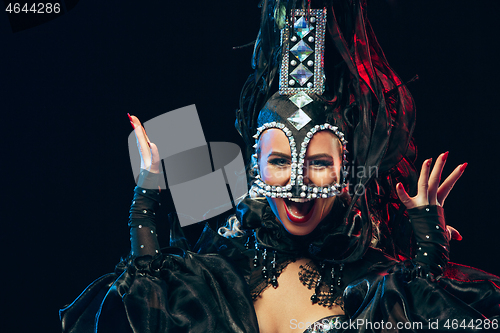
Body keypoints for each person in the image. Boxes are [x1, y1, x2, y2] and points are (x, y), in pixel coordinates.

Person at [60, 1, 500, 332]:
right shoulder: (215, 275)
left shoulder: (378, 284)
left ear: (345, 172)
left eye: (319, 162)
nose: (296, 181)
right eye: (279, 160)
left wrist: (428, 263)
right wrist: (146, 206)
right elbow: (144, 312)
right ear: (255, 166)